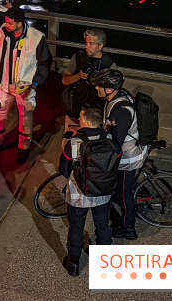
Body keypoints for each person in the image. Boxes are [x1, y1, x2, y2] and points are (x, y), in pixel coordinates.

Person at [59, 104, 121, 277]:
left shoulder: (74, 143)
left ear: (86, 123)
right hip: (103, 193)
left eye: (80, 118)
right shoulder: (111, 140)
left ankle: (73, 264)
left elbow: (63, 169)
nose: (78, 120)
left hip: (79, 195)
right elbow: (117, 161)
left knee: (76, 227)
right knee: (102, 226)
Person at [0, 7, 51, 163]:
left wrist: (35, 84)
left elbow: (44, 63)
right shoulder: (3, 31)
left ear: (19, 23)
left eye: (10, 22)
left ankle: (23, 148)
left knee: (26, 118)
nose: (6, 24)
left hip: (25, 87)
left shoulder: (36, 38)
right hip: (3, 84)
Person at [91, 69, 146, 241]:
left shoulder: (121, 110)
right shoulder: (115, 98)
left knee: (124, 194)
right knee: (119, 190)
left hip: (128, 158)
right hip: (127, 154)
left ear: (109, 88)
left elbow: (116, 142)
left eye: (100, 85)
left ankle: (129, 229)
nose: (96, 88)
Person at [61, 29, 116, 138]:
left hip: (94, 117)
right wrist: (79, 76)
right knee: (68, 143)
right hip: (74, 111)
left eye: (91, 43)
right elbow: (65, 80)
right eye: (86, 43)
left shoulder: (109, 64)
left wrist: (96, 79)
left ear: (100, 45)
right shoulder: (78, 57)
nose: (87, 46)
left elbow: (112, 92)